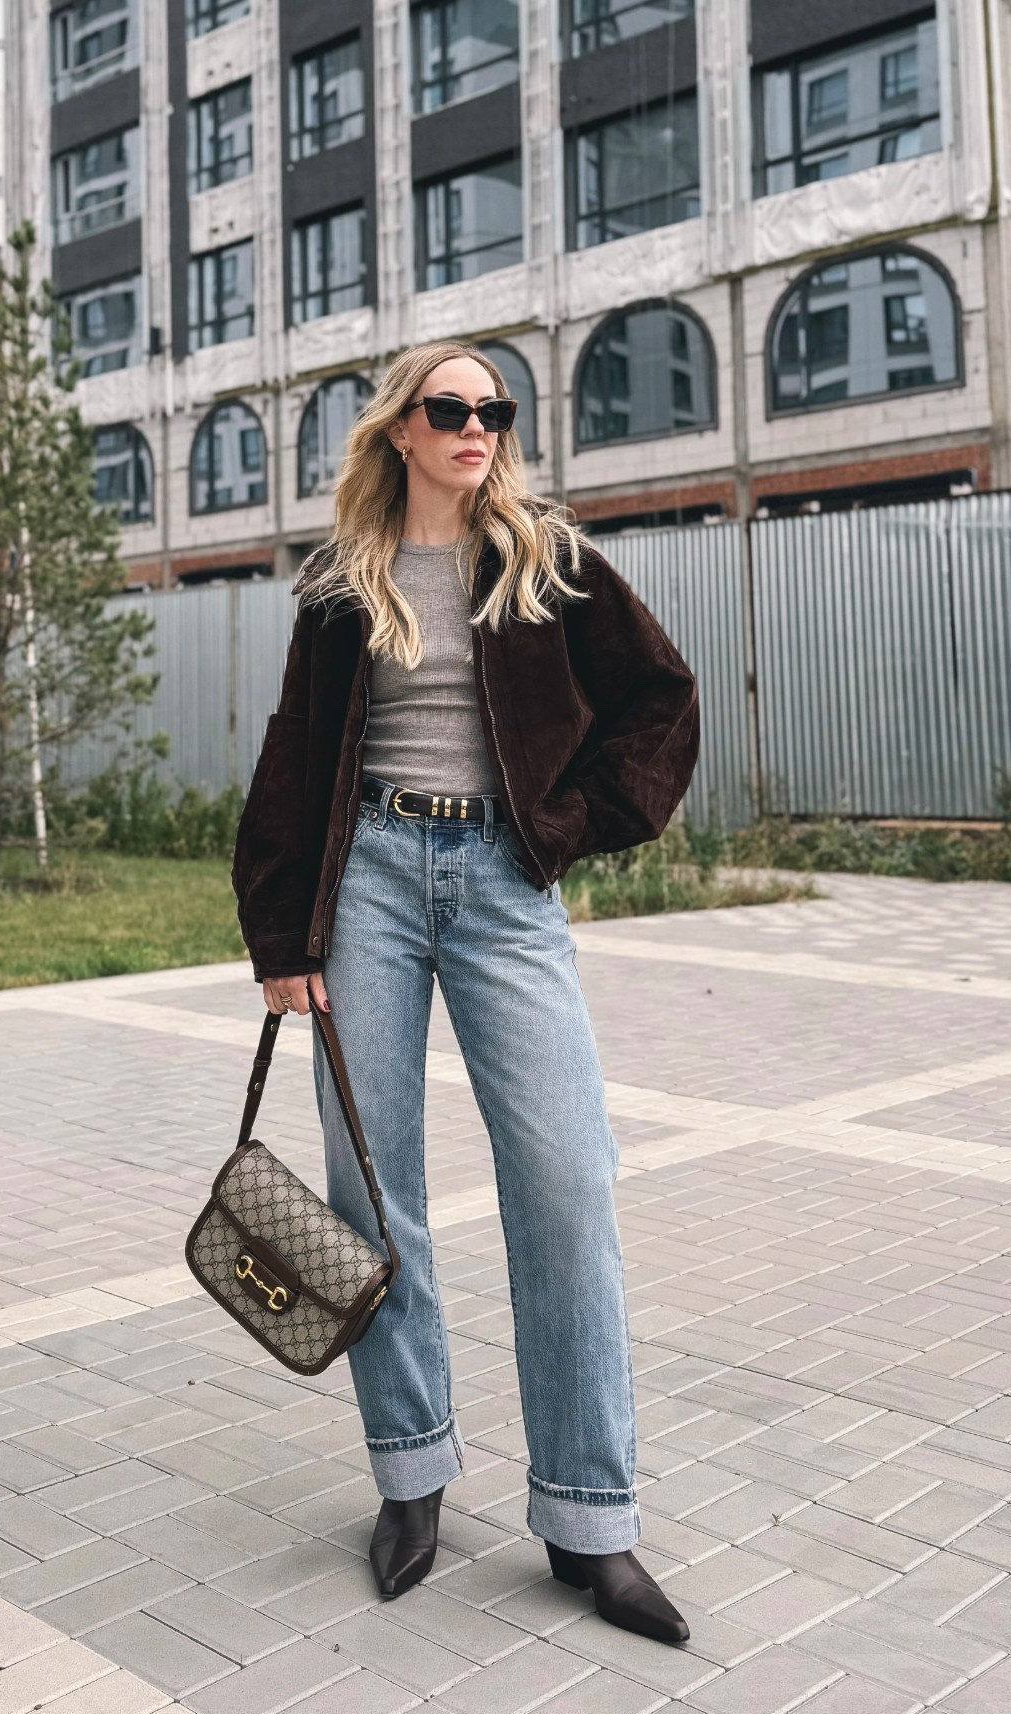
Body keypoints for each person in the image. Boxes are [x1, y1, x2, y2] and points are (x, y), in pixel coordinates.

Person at [231, 340, 699, 1646]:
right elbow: (292, 756)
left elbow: (661, 701)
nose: (476, 425)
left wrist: (569, 822)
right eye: (450, 408)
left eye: (494, 408)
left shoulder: (547, 560)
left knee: (567, 1182)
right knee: (372, 1193)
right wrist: (281, 932)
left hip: (503, 884)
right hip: (367, 884)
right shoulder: (344, 583)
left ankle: (590, 1519)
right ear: (401, 429)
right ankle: (410, 1475)